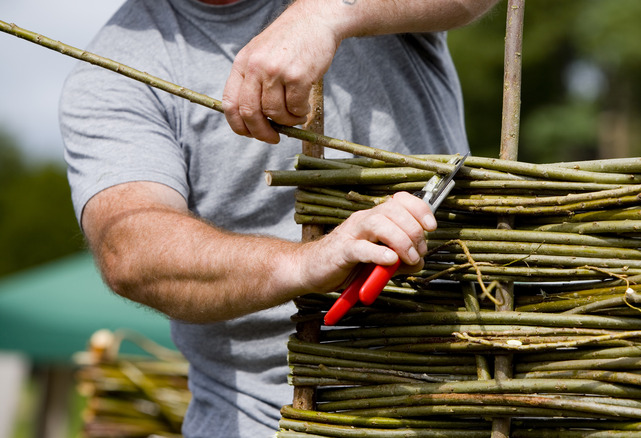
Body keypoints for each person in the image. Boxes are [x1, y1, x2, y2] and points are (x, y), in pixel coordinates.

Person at [60, 0, 497, 435]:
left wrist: (325, 14)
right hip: (266, 419)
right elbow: (132, 250)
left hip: (460, 394)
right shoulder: (112, 70)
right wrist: (304, 263)